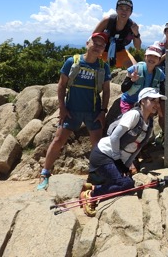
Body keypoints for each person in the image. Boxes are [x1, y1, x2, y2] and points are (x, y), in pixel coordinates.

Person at [37, 32, 112, 190]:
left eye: (101, 45)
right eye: (95, 43)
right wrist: (62, 108)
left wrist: (103, 111)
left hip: (93, 111)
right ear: (87, 43)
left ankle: (95, 173)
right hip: (71, 110)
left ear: (103, 49)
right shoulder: (73, 61)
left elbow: (106, 90)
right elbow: (62, 85)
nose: (97, 47)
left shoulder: (103, 66)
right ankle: (45, 172)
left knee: (97, 145)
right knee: (58, 140)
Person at [80, 87, 166, 217]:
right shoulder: (134, 115)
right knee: (126, 184)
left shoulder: (148, 123)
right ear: (142, 101)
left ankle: (92, 186)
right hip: (104, 155)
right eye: (152, 100)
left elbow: (137, 149)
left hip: (116, 159)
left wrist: (125, 166)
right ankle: (91, 195)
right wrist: (119, 162)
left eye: (158, 101)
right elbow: (115, 137)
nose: (156, 104)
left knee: (124, 181)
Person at [93, 0, 141, 68]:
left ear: (131, 12)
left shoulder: (132, 26)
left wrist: (136, 34)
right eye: (121, 8)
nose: (124, 11)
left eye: (127, 9)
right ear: (116, 10)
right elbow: (92, 38)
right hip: (101, 50)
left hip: (120, 51)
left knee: (135, 70)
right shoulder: (107, 21)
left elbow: (138, 47)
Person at [120, 45, 165, 114]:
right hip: (129, 102)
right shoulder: (135, 69)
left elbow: (163, 90)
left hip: (146, 105)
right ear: (145, 57)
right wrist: (132, 81)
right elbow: (123, 89)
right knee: (131, 122)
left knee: (145, 124)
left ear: (159, 59)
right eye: (150, 55)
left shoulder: (159, 74)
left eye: (156, 57)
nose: (152, 59)